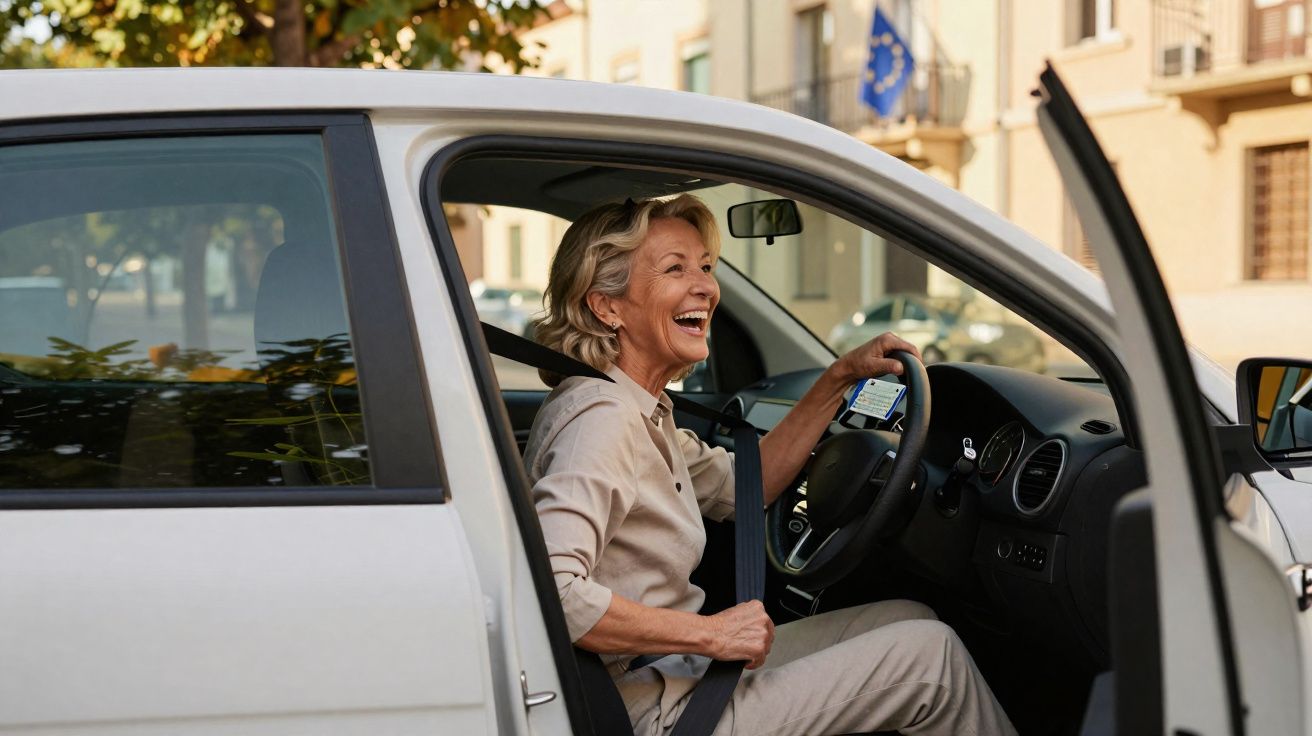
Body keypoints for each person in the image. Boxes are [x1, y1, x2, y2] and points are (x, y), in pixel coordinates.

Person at [526, 194, 1016, 736]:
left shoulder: (639, 406)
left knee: (909, 618)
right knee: (932, 662)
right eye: (674, 269)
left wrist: (836, 381)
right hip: (654, 709)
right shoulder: (604, 420)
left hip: (676, 675)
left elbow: (744, 488)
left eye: (706, 268)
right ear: (607, 306)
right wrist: (710, 636)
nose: (707, 287)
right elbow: (552, 591)